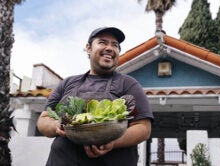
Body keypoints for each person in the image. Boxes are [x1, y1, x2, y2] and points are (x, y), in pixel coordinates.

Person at [37, 26, 154, 166]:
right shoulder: (67, 83)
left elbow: (143, 128)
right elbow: (43, 119)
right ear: (88, 48)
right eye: (103, 42)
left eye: (115, 45)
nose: (110, 48)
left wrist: (112, 142)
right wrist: (57, 125)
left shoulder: (128, 84)